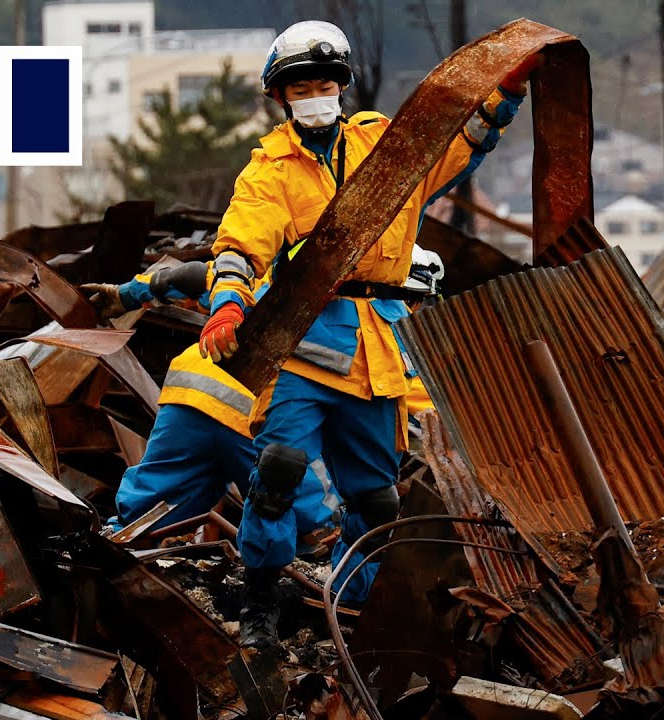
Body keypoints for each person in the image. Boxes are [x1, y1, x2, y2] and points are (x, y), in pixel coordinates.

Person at [201, 19, 536, 648]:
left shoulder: (385, 146)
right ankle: (260, 605)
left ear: (342, 85)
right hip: (302, 342)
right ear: (282, 97)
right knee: (278, 471)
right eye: (301, 87)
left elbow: (457, 146)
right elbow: (242, 242)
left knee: (376, 499)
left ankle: (353, 605)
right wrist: (227, 304)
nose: (315, 95)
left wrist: (505, 94)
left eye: (324, 83)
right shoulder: (271, 170)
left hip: (377, 346)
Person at [82, 263, 341, 541]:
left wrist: (124, 295)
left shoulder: (255, 275)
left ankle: (111, 544)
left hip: (193, 392)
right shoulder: (351, 305)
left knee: (150, 513)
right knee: (313, 517)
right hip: (258, 414)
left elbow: (190, 277)